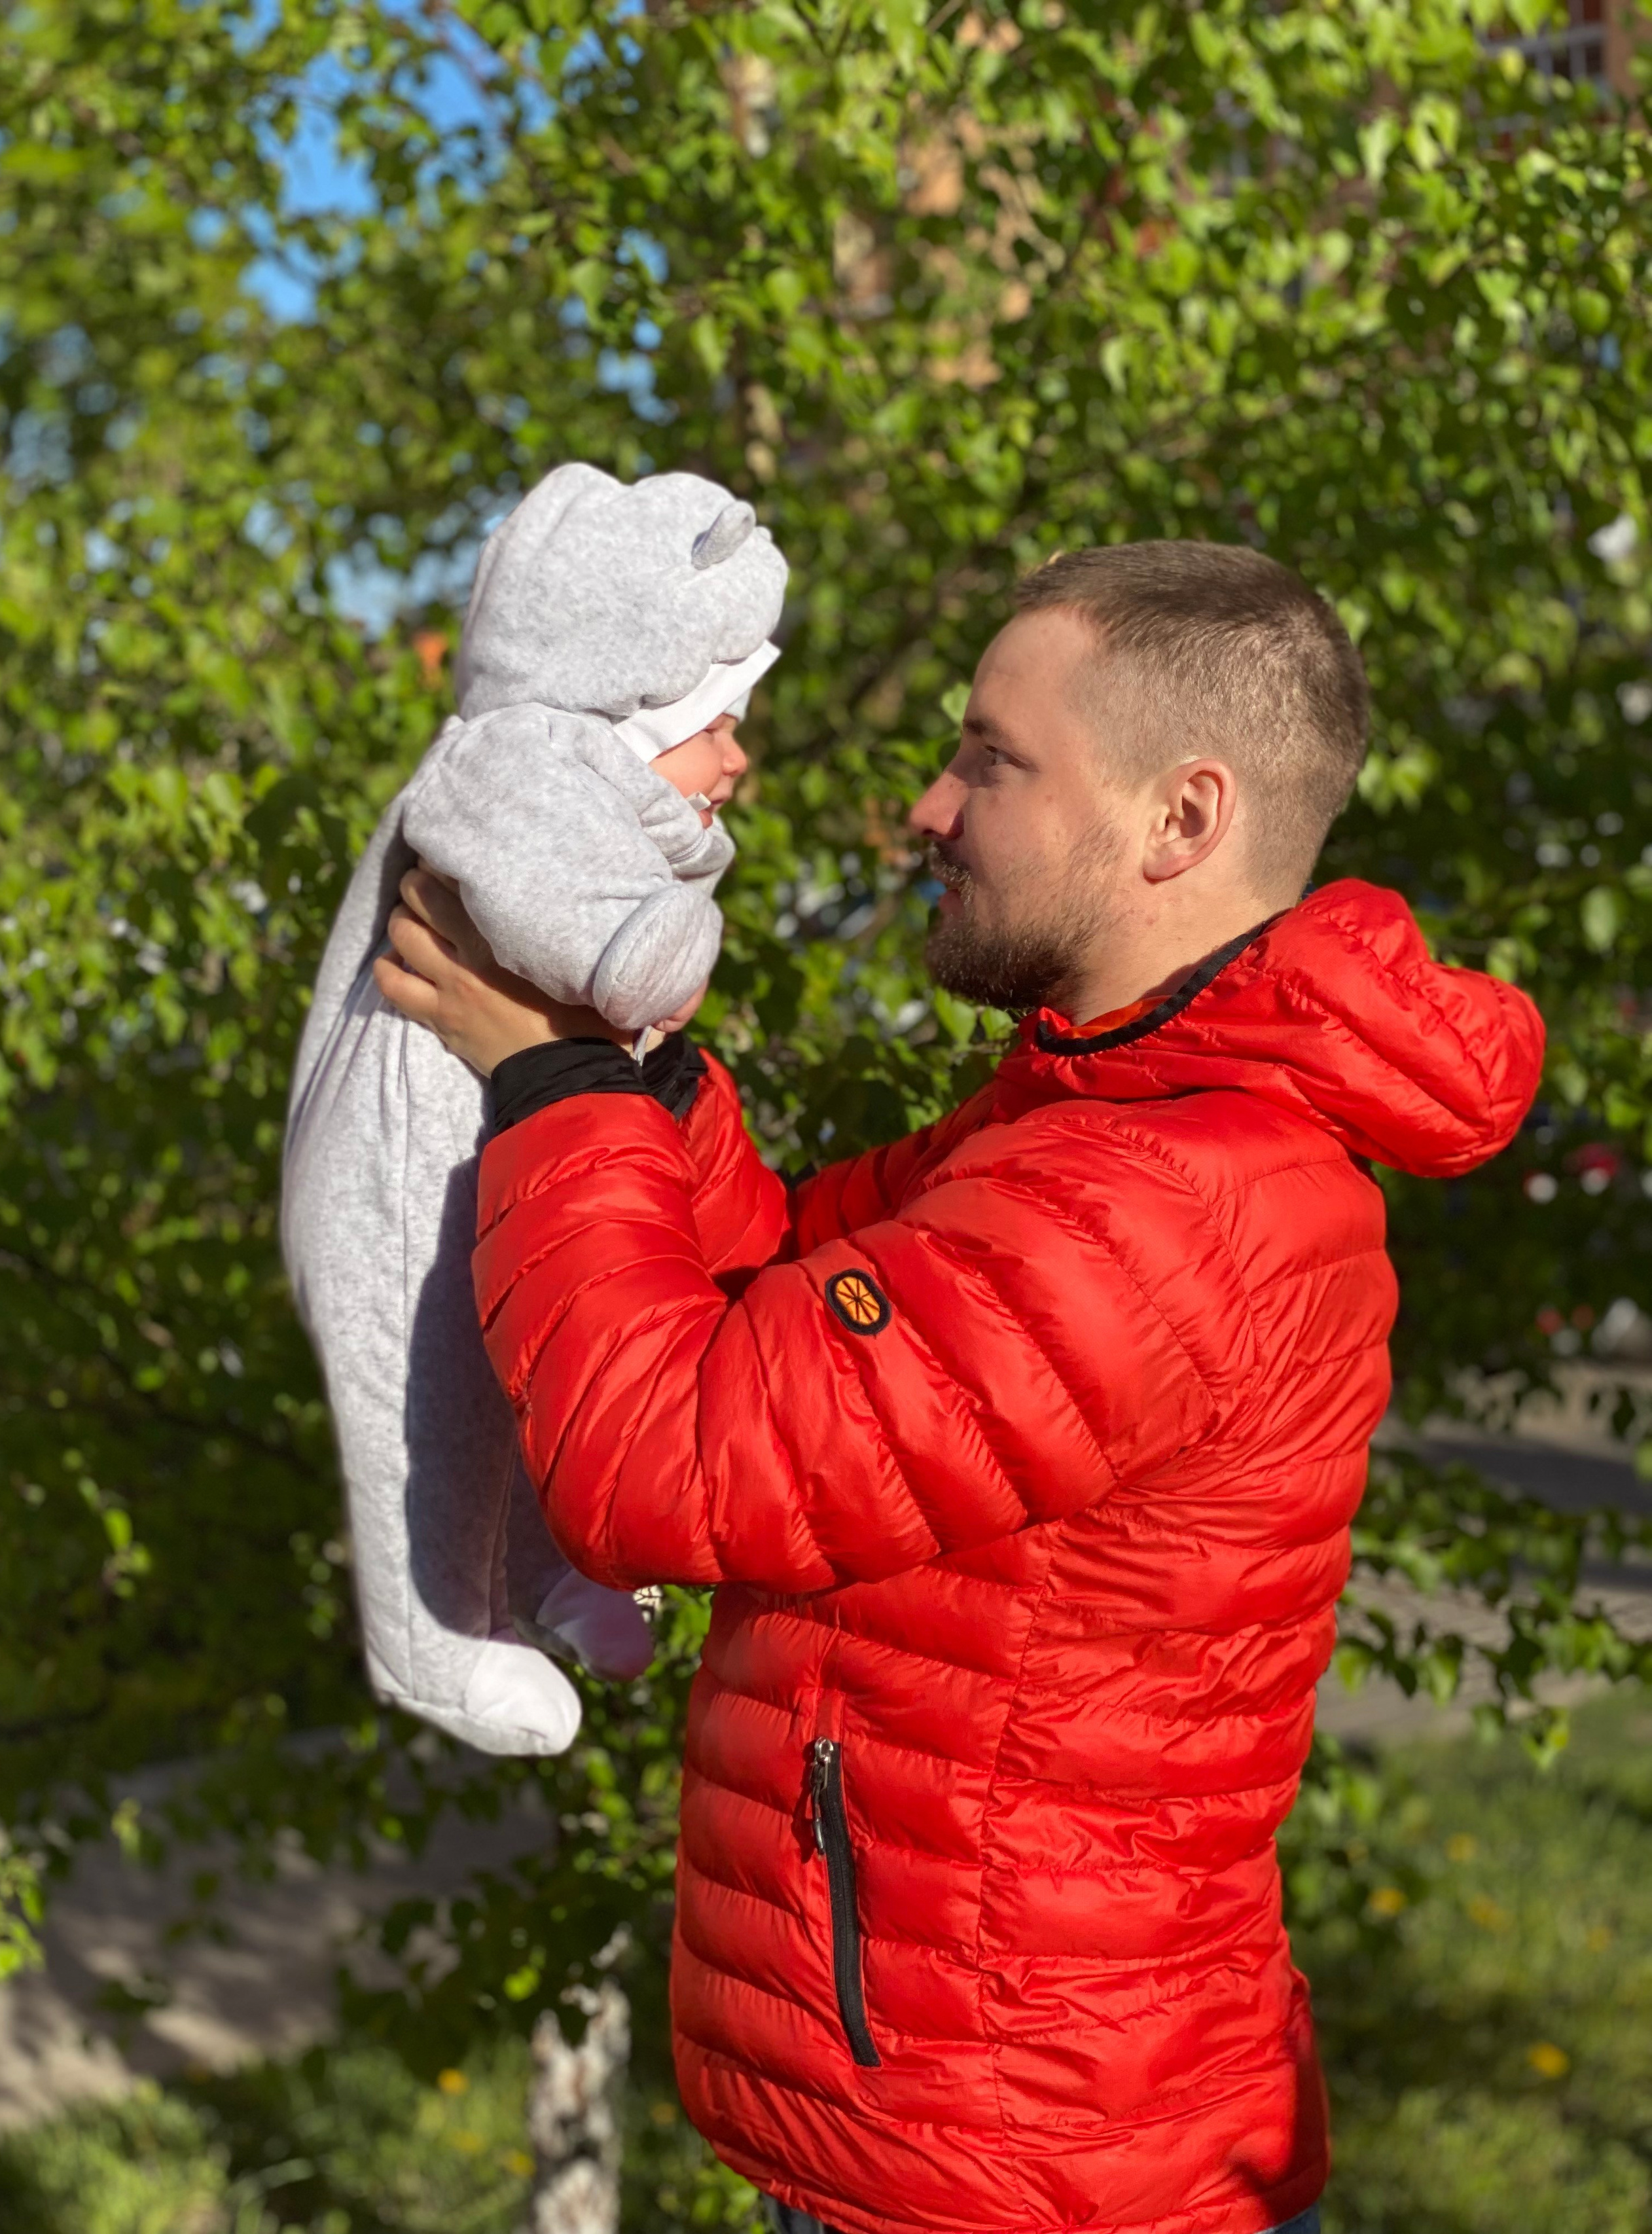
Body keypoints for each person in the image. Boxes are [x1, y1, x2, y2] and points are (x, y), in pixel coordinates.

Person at [375, 541, 1545, 2234]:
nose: (928, 807)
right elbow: (789, 1288)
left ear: (1180, 819)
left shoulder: (1159, 1204)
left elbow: (665, 1465)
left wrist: (551, 1082)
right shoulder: (1096, 1122)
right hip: (985, 2124)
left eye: (992, 760)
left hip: (1015, 2167)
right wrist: (643, 1069)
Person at [283, 462, 785, 1757]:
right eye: (717, 720)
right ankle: (433, 1635)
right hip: (398, 1173)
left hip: (485, 1145)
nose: (737, 757)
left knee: (530, 1365)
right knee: (430, 1398)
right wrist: (673, 936)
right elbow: (630, 961)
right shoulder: (519, 763)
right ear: (625, 700)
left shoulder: (575, 780)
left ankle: (550, 1572)